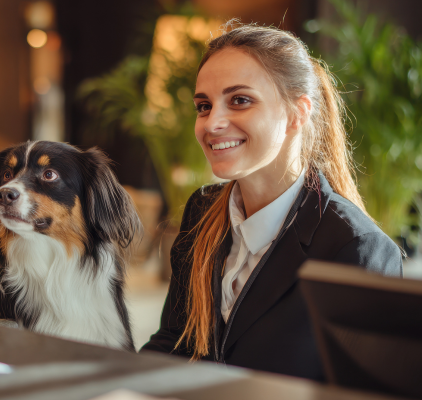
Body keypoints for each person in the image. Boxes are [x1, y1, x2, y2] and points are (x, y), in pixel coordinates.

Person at [140, 23, 402, 381]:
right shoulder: (201, 210)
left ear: (297, 113)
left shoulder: (357, 248)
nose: (212, 123)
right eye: (204, 105)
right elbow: (175, 342)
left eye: (240, 100)